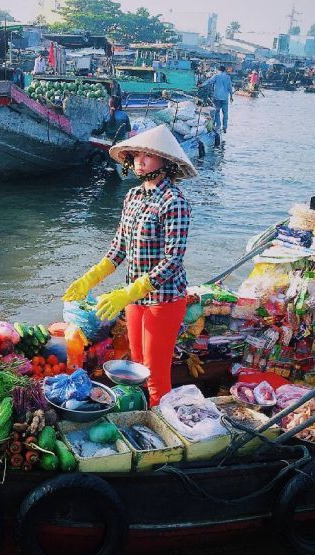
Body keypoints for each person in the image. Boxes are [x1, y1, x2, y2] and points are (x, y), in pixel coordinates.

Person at [63, 124, 197, 407]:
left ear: (166, 161)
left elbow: (173, 261)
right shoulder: (133, 197)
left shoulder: (174, 202)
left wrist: (131, 291)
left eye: (148, 155)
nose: (140, 160)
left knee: (156, 374)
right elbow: (119, 248)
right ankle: (141, 415)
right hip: (135, 300)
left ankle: (163, 425)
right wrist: (91, 277)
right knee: (135, 366)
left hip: (164, 298)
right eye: (136, 154)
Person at [201, 65, 233, 132]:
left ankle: (218, 125)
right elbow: (230, 88)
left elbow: (209, 82)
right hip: (225, 98)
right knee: (225, 113)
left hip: (217, 97)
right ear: (224, 70)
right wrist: (231, 97)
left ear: (219, 70)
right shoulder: (228, 77)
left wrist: (201, 85)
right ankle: (225, 127)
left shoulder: (216, 76)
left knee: (217, 112)